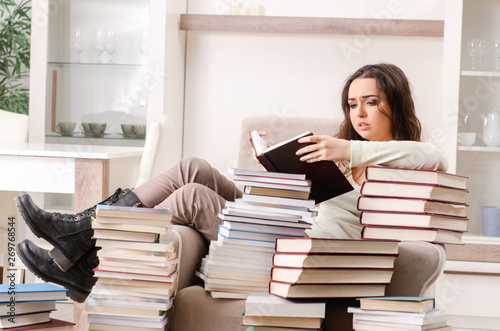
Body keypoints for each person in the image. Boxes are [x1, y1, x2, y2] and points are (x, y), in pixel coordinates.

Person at [15, 63, 448, 303]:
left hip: (298, 247)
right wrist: (277, 165)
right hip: (285, 219)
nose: (360, 113)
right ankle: (81, 232)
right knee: (192, 167)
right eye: (353, 104)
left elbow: (430, 154)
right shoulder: (336, 150)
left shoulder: (405, 159)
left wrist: (346, 151)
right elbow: (304, 196)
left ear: (396, 102)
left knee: (192, 197)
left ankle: (88, 265)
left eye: (371, 102)